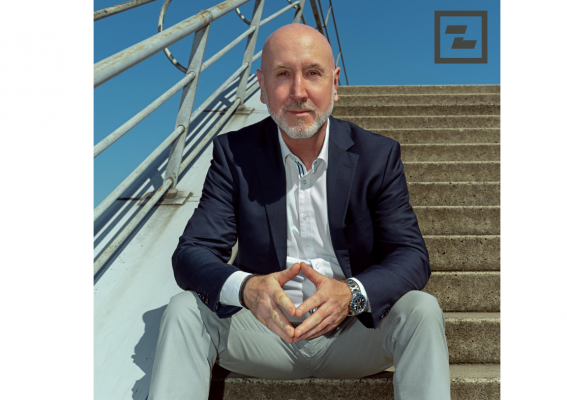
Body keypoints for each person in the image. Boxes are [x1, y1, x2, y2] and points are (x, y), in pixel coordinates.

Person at [148, 23, 451, 400]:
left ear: (334, 84)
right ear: (261, 85)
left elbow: (411, 255)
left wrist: (351, 295)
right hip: (263, 334)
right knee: (184, 310)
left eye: (312, 73)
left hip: (353, 333)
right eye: (282, 74)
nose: (298, 92)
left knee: (422, 310)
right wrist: (247, 289)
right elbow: (192, 253)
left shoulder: (378, 155)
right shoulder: (234, 154)